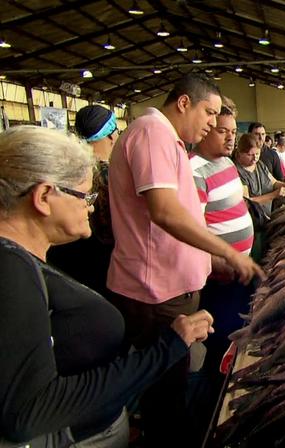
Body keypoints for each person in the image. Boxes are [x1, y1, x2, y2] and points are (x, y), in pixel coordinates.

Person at [0, 126, 213, 447]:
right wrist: (168, 347)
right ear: (43, 197)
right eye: (84, 196)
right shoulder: (11, 268)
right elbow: (29, 411)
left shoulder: (30, 258)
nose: (91, 206)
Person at [107, 74, 263, 445]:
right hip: (156, 291)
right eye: (209, 112)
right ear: (183, 103)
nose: (213, 122)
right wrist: (227, 252)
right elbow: (164, 212)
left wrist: (211, 261)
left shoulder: (168, 139)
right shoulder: (152, 134)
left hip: (171, 286)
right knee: (166, 392)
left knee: (173, 385)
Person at [189, 106, 255, 372]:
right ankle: (215, 386)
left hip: (239, 270)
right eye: (222, 131)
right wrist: (218, 263)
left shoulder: (227, 162)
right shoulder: (194, 170)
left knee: (239, 333)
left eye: (233, 131)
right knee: (222, 339)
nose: (230, 138)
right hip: (220, 277)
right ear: (205, 130)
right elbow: (190, 234)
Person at [48, 105, 118, 297]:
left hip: (65, 261)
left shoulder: (62, 170)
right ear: (112, 136)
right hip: (101, 262)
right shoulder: (113, 175)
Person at [234, 134, 285, 260]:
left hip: (266, 221)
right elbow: (247, 202)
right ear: (239, 153)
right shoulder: (237, 172)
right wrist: (274, 195)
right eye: (250, 154)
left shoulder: (260, 165)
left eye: (257, 154)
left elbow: (274, 182)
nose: (254, 158)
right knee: (255, 258)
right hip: (251, 227)